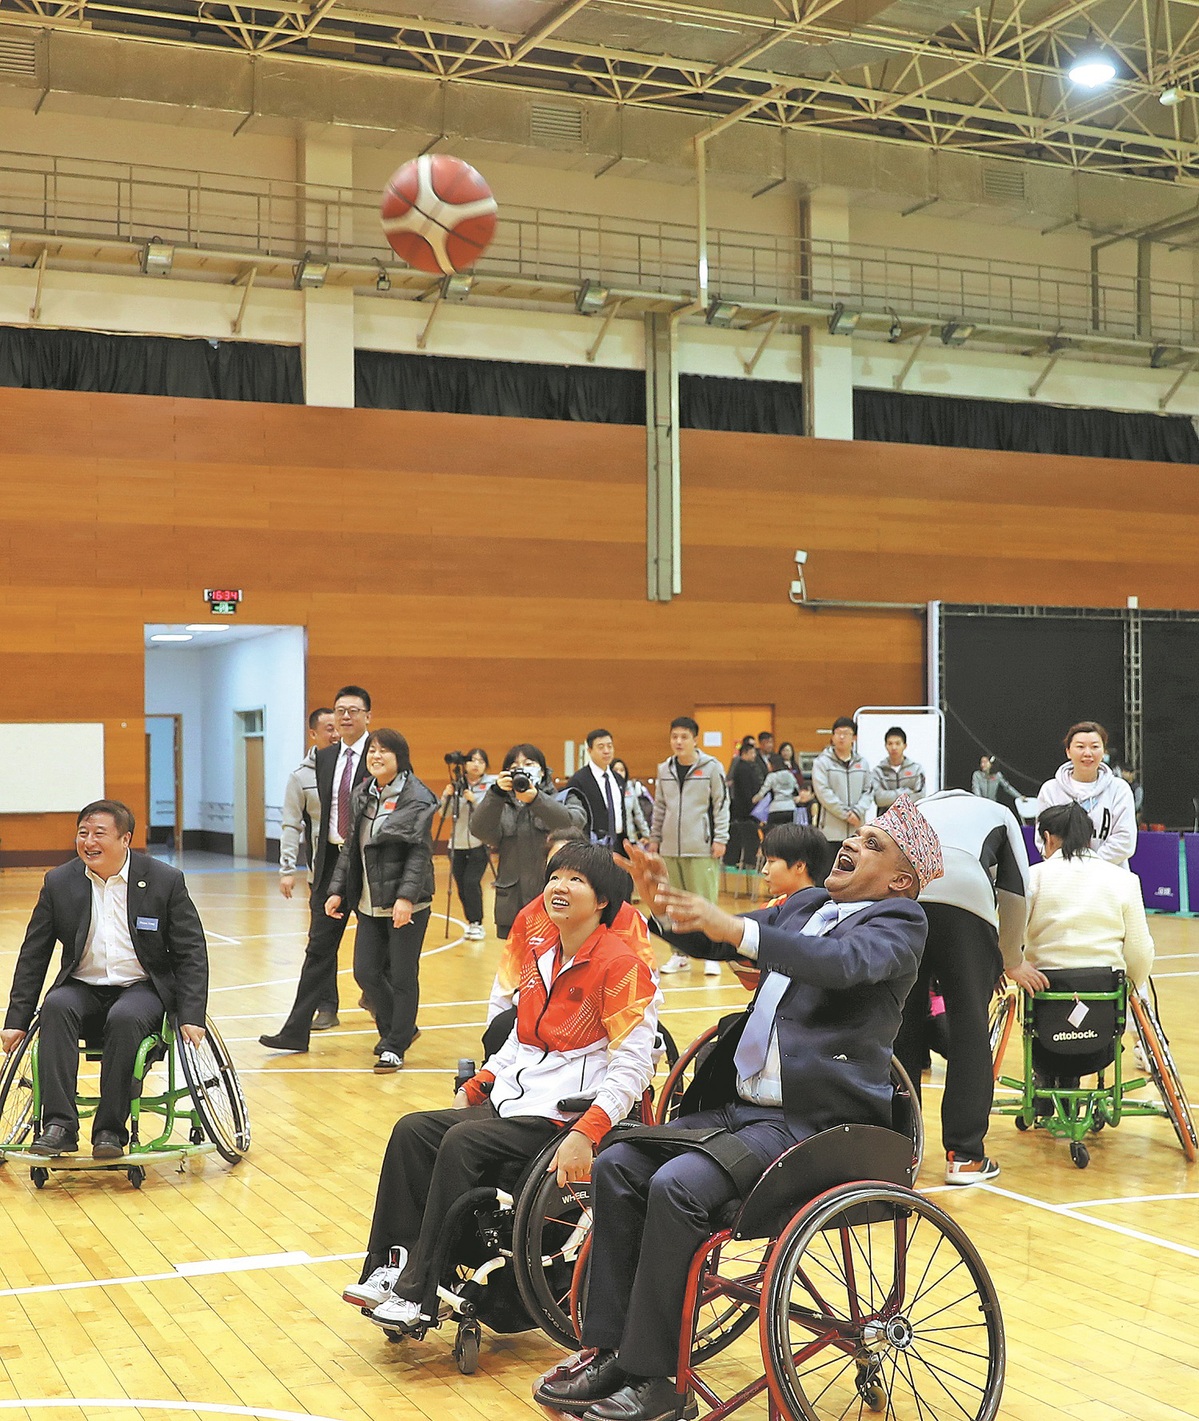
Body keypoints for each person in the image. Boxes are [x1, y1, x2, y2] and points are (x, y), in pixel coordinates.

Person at [535, 796, 942, 1421]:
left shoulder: (900, 924)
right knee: (618, 1162)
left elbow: (838, 965)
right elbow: (719, 937)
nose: (853, 842)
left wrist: (742, 930)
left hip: (816, 1124)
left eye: (873, 843)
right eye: (855, 832)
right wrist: (661, 903)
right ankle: (611, 1350)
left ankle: (658, 1384)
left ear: (900, 880)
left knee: (676, 1187)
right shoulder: (808, 904)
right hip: (743, 1108)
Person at [341, 843, 658, 1330]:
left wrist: (588, 1131)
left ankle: (420, 1292)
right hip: (515, 1100)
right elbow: (519, 1039)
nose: (560, 887)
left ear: (601, 901)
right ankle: (391, 1266)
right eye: (555, 877)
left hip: (561, 1117)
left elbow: (634, 1067)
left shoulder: (621, 966)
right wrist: (483, 1081)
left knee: (461, 1140)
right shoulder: (542, 954)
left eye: (576, 880)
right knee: (412, 1130)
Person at [1, 800, 209, 1159]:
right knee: (55, 1006)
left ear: (125, 839)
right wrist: (17, 1020)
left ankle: (111, 1130)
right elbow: (34, 955)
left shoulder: (163, 880)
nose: (88, 841)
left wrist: (191, 1013)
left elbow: (191, 952)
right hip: (83, 987)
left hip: (141, 987)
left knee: (126, 1017)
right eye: (82, 833)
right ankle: (59, 1126)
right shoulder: (60, 882)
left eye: (99, 833)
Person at [893, 787, 1029, 1185]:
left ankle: (899, 1153)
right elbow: (1018, 890)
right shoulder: (999, 811)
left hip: (906, 899)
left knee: (899, 1027)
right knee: (969, 1030)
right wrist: (1010, 957)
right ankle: (965, 1157)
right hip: (968, 902)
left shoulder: (909, 810)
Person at [260, 685, 374, 1052]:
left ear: (367, 716)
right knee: (318, 950)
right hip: (330, 866)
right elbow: (306, 821)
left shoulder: (380, 754)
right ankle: (296, 1030)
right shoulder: (322, 762)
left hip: (371, 866)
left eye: (352, 711)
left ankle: (397, 1027)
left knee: (375, 958)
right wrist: (289, 867)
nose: (344, 717)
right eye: (340, 710)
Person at [1009, 802, 1154, 1089]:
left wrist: (1012, 964)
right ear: (1090, 838)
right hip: (1103, 1017)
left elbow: (1010, 938)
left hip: (1045, 1008)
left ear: (1048, 838)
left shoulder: (1033, 877)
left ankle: (1046, 1082)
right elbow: (1139, 951)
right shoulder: (1124, 879)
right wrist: (1131, 984)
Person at [325, 729, 437, 1074]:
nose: (376, 756)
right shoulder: (363, 793)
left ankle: (393, 1045)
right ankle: (401, 1031)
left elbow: (418, 855)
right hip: (369, 902)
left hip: (406, 903)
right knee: (365, 972)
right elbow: (350, 849)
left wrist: (406, 897)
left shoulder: (417, 797)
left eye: (384, 751)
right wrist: (337, 889)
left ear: (399, 757)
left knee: (403, 975)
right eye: (372, 750)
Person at [471, 743, 586, 939]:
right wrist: (496, 794)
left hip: (554, 903)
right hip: (512, 905)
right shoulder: (502, 804)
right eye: (514, 765)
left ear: (542, 770)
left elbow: (573, 824)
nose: (521, 768)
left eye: (528, 763)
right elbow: (480, 830)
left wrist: (536, 800)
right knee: (516, 967)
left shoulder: (563, 797)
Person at [648, 717, 729, 978]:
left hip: (702, 847)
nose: (679, 741)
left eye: (684, 736)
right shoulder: (664, 770)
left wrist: (721, 838)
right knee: (674, 905)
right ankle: (679, 954)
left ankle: (712, 955)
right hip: (670, 848)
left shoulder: (712, 768)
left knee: (704, 903)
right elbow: (659, 807)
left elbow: (721, 805)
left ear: (695, 739)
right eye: (674, 737)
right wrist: (655, 838)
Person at [278, 706, 339, 1023]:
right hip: (323, 872)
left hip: (360, 871)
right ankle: (326, 1006)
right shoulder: (300, 778)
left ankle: (373, 992)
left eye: (337, 727)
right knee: (322, 943)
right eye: (328, 728)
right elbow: (291, 826)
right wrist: (287, 869)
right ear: (313, 734)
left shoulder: (353, 770)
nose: (335, 733)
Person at [1036, 721, 1137, 866]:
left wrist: (1090, 866)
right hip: (1064, 877)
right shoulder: (1050, 790)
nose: (1088, 753)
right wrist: (1071, 866)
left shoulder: (1119, 789)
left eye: (1095, 747)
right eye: (1080, 747)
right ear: (1068, 751)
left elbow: (1125, 841)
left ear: (1104, 752)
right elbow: (1043, 841)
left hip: (1109, 878)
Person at [440, 748, 492, 941]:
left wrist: (475, 800)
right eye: (472, 760)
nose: (476, 764)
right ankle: (471, 922)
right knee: (462, 886)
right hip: (457, 845)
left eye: (480, 761)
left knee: (471, 882)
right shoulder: (457, 786)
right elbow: (443, 815)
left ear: (486, 765)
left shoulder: (490, 785)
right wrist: (446, 796)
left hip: (479, 843)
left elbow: (489, 813)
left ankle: (477, 922)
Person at [810, 716, 873, 844]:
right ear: (832, 737)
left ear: (854, 738)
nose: (842, 737)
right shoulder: (822, 762)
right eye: (838, 733)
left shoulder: (863, 763)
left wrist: (857, 812)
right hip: (830, 833)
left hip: (857, 831)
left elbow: (868, 791)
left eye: (846, 733)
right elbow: (823, 792)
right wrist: (846, 815)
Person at [565, 730, 625, 847]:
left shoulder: (618, 778)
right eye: (601, 747)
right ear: (589, 750)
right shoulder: (578, 780)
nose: (606, 751)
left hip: (618, 844)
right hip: (592, 845)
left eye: (609, 746)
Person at [726, 739, 762, 872]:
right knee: (748, 835)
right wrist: (753, 806)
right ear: (745, 753)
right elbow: (746, 791)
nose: (754, 756)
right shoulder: (743, 768)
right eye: (752, 753)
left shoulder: (746, 767)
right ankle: (748, 861)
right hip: (746, 810)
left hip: (746, 809)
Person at [872, 725, 926, 808]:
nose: (894, 747)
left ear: (905, 746)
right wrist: (904, 792)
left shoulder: (916, 769)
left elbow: (920, 796)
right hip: (886, 818)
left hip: (909, 818)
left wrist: (889, 796)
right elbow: (879, 799)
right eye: (890, 744)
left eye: (898, 743)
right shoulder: (878, 771)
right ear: (885, 746)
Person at [752, 757, 802, 827]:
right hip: (790, 808)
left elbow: (763, 791)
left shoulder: (772, 776)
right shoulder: (790, 775)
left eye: (769, 764)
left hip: (776, 808)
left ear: (773, 765)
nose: (768, 766)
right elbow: (797, 789)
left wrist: (755, 799)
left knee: (774, 833)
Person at [611, 759, 650, 844]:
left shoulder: (630, 789)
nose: (619, 773)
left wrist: (646, 834)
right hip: (611, 840)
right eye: (615, 770)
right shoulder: (606, 789)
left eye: (622, 770)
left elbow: (638, 814)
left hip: (629, 838)